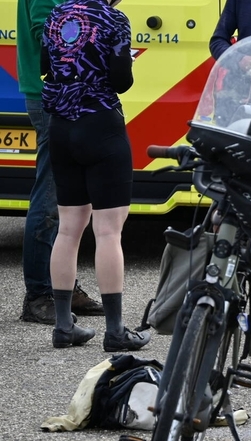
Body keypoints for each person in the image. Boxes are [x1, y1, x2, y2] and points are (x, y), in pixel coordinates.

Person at [40, 0, 151, 352]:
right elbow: (122, 81)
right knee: (107, 230)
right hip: (100, 124)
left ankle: (63, 326)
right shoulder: (113, 18)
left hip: (60, 127)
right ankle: (116, 331)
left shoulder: (57, 16)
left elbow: (46, 66)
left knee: (69, 228)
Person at [15, 0, 105, 324]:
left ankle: (62, 285)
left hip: (68, 94)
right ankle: (39, 295)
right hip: (51, 95)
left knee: (71, 198)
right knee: (52, 197)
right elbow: (46, 35)